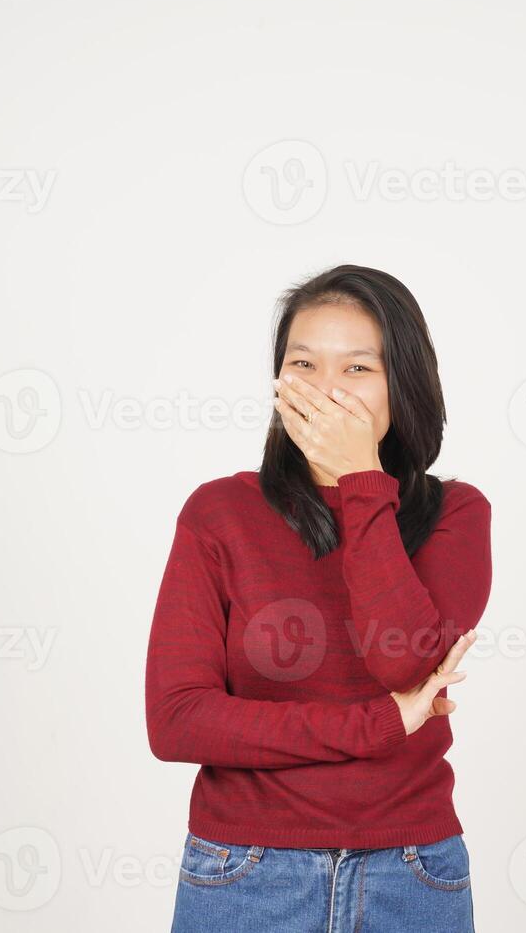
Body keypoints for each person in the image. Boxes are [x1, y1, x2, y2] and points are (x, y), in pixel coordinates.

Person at [144, 264, 493, 932]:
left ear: (404, 382)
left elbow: (402, 663)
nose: (327, 392)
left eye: (358, 369)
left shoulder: (455, 514)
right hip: (244, 873)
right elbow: (178, 720)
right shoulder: (219, 514)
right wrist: (379, 725)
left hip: (411, 873)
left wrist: (361, 479)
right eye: (304, 364)